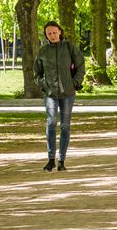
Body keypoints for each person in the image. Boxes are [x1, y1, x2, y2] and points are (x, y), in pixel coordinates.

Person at [34, 20, 84, 171]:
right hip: (50, 93)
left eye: (54, 32)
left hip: (68, 93)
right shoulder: (43, 51)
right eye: (49, 33)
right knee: (51, 123)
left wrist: (75, 82)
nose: (52, 35)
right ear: (46, 35)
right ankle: (51, 160)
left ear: (60, 32)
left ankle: (61, 161)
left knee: (65, 125)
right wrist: (43, 84)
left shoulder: (69, 47)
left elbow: (80, 65)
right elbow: (37, 72)